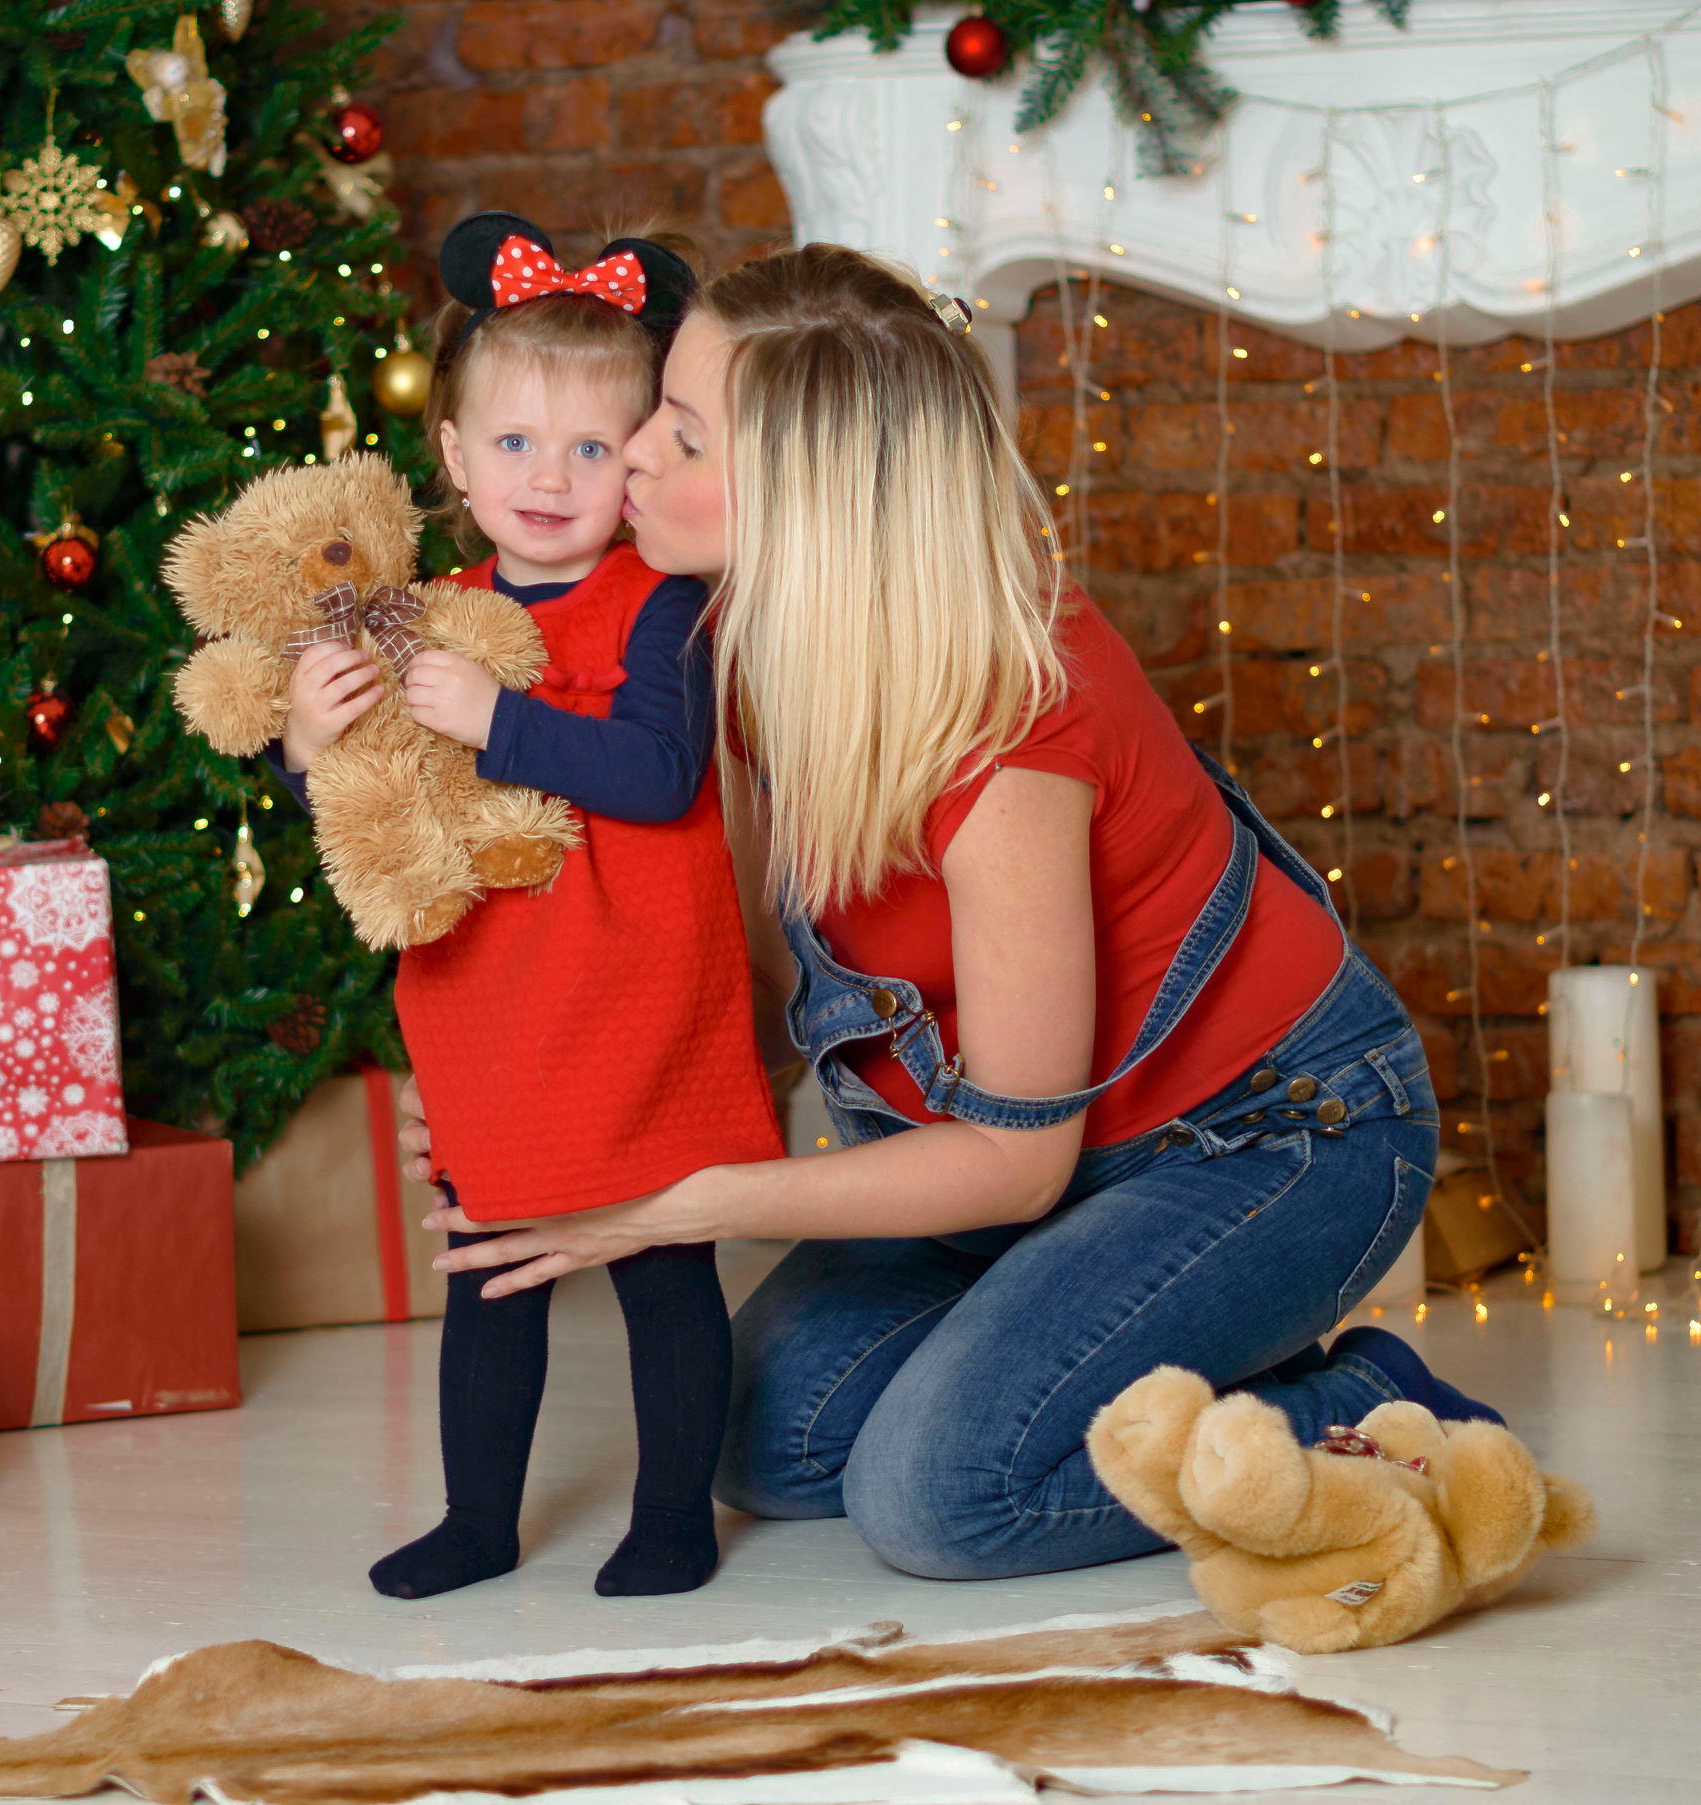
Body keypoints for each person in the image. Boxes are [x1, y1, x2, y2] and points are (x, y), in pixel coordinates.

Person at [399, 242, 1500, 1582]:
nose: (625, 456)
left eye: (678, 436)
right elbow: (734, 982)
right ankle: (1108, 1336)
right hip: (996, 1149)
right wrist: (521, 1084)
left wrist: (654, 1207)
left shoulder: (1010, 727)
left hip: (1261, 1134)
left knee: (940, 1494)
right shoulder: (729, 645)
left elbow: (1020, 1159)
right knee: (757, 1443)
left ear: (809, 498)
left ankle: (1366, 1408)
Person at [272, 212, 783, 1599]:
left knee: (666, 1262)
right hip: (492, 993)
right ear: (450, 457)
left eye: (591, 450)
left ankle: (674, 1511)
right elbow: (361, 767)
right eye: (512, 444)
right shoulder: (420, 608)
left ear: (645, 462)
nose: (548, 480)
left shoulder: (663, 603)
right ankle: (478, 1519)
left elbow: (661, 771)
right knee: (491, 1266)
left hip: (638, 986)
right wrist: (305, 740)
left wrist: (502, 719)